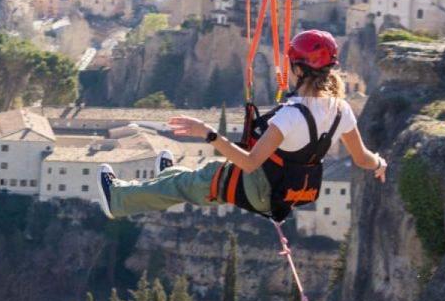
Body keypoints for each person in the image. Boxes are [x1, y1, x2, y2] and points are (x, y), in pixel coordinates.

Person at [96, 30, 387, 221]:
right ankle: (170, 176)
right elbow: (362, 158)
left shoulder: (290, 116)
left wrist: (208, 133)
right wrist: (379, 164)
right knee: (197, 177)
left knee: (193, 183)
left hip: (260, 187)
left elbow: (249, 163)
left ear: (299, 69)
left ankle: (118, 200)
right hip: (290, 192)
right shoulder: (342, 110)